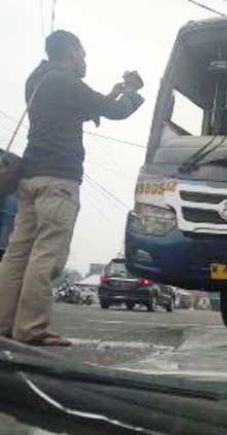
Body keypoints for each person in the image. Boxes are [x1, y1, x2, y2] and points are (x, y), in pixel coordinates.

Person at [0, 30, 144, 346]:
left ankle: (5, 325)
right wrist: (132, 91)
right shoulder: (65, 81)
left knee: (17, 254)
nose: (85, 60)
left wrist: (110, 93)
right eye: (83, 54)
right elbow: (115, 112)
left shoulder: (37, 81)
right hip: (57, 181)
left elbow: (82, 108)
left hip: (30, 177)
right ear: (71, 53)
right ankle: (31, 329)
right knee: (46, 254)